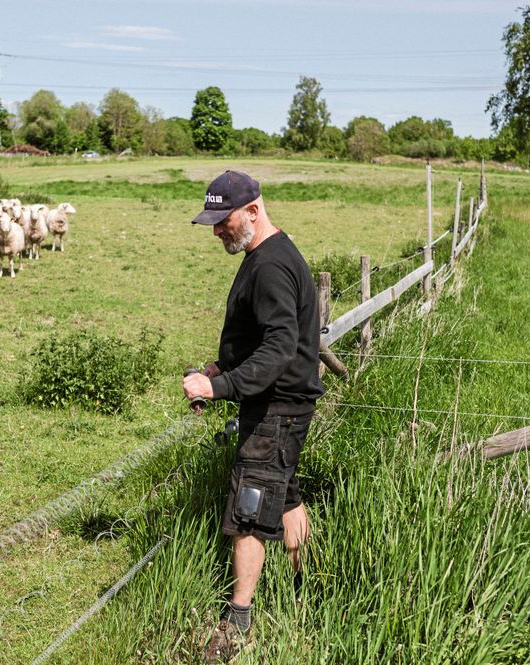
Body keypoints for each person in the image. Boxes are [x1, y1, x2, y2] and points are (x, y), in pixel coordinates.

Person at [183, 170, 324, 662]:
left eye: (224, 221)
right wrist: (226, 364)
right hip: (285, 407)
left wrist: (218, 386)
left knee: (249, 510)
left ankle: (234, 625)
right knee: (284, 496)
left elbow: (281, 348)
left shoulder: (268, 266)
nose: (217, 231)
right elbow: (265, 340)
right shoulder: (266, 255)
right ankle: (309, 587)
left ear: (253, 211)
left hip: (275, 409)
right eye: (213, 223)